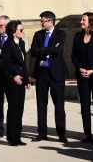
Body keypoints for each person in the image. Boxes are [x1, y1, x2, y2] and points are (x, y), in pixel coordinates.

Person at [29, 11, 68, 142]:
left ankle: (61, 133)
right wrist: (48, 50)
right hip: (41, 73)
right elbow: (34, 52)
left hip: (56, 73)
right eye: (41, 20)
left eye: (43, 21)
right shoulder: (38, 34)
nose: (41, 23)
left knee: (59, 105)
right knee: (41, 104)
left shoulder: (60, 34)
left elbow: (58, 51)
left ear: (51, 21)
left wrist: (43, 51)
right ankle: (42, 133)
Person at [71, 12, 93, 143]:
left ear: (91, 22)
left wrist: (92, 70)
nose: (81, 22)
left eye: (83, 20)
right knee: (84, 105)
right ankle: (87, 134)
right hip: (82, 75)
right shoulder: (77, 36)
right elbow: (73, 55)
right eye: (81, 20)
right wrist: (79, 68)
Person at [2, 20, 32, 146]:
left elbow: (23, 64)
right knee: (13, 108)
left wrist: (27, 80)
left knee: (20, 108)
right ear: (14, 32)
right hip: (11, 81)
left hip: (21, 81)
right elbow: (6, 63)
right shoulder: (7, 45)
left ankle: (18, 137)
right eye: (20, 30)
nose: (23, 32)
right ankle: (11, 137)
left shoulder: (21, 43)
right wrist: (14, 75)